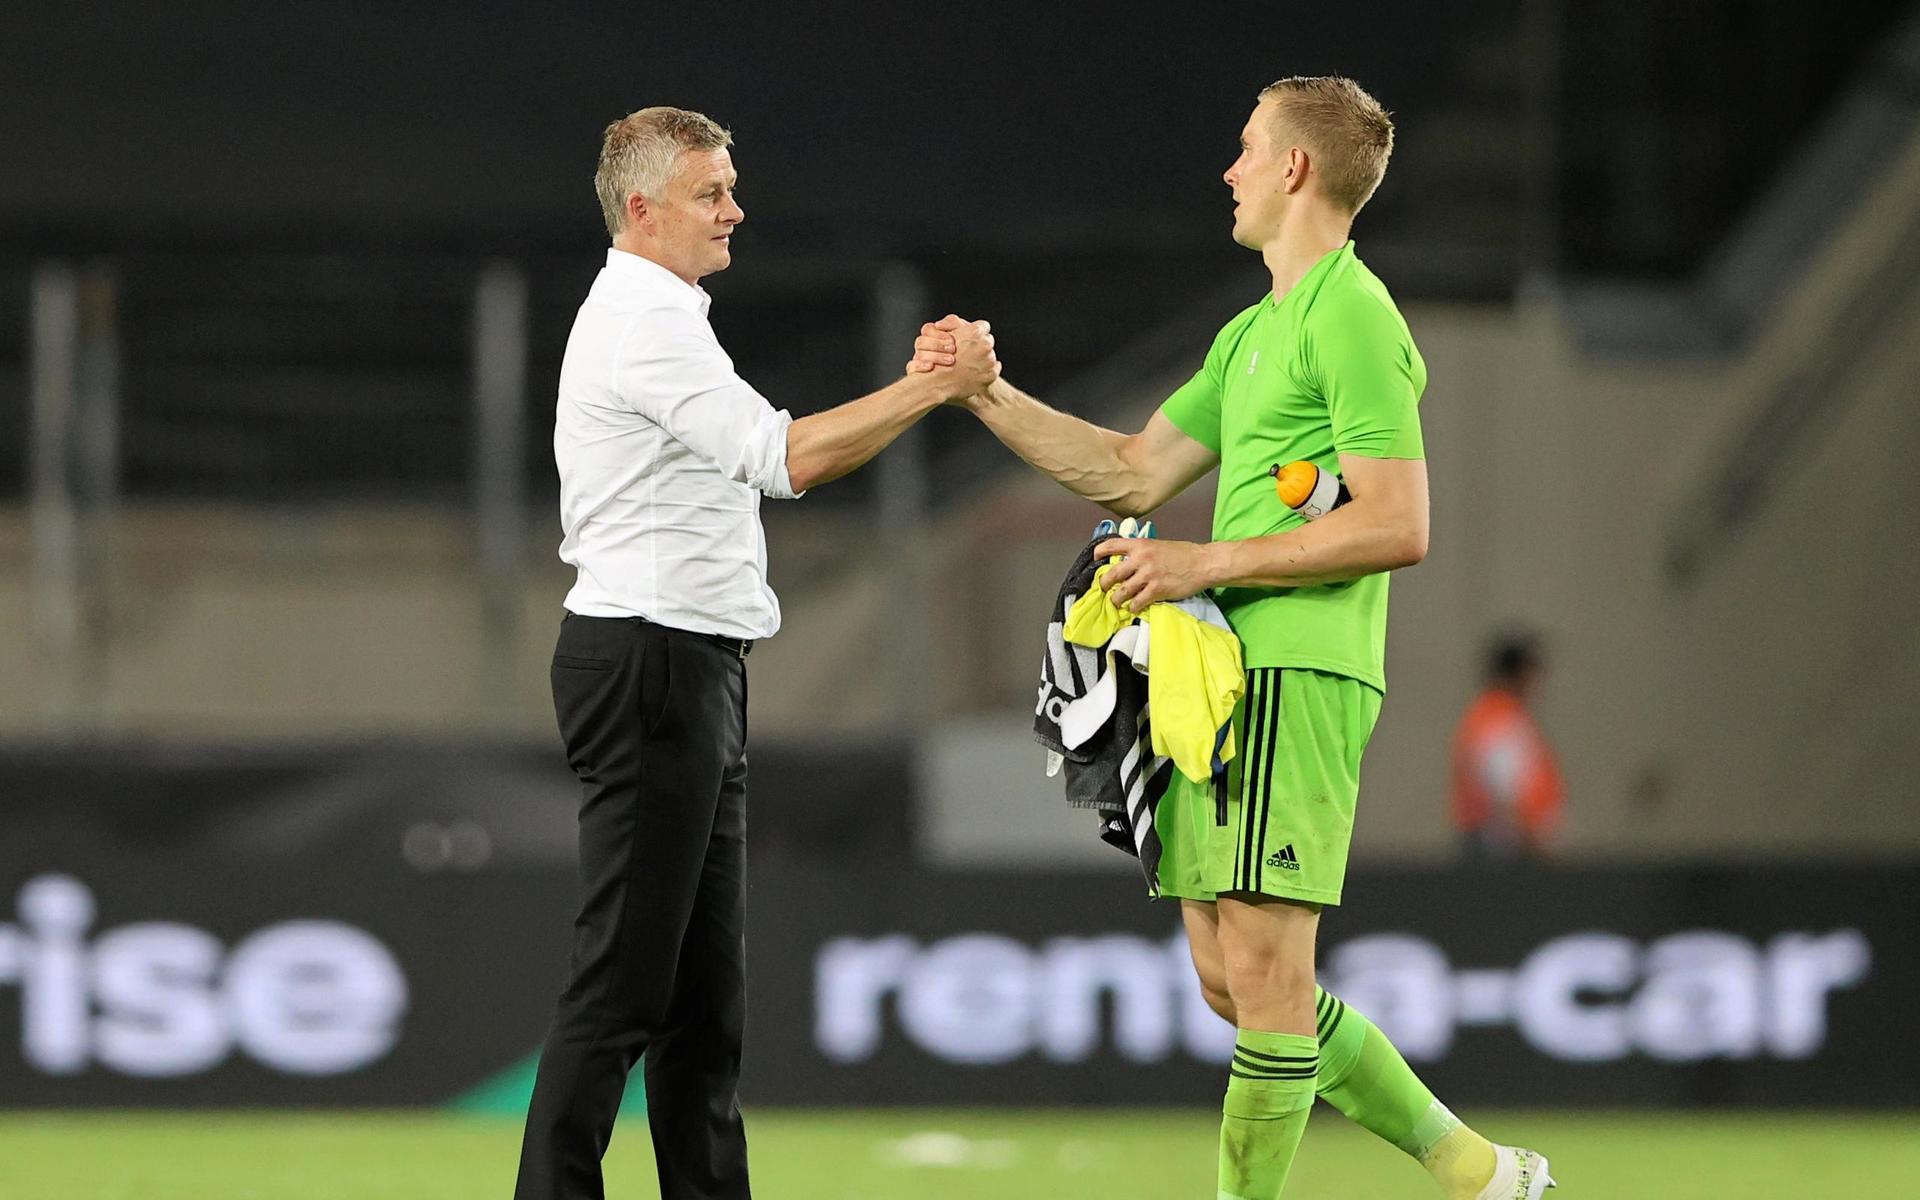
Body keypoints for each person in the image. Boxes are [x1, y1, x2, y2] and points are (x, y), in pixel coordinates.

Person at [912, 78, 1551, 1199]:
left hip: (1296, 667)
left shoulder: (1356, 316)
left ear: (1297, 168)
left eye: (1247, 147)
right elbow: (1129, 469)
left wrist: (1201, 562)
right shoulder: (1257, 332)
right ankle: (1477, 1172)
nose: (1230, 169)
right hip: (1225, 678)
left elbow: (1401, 525)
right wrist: (985, 393)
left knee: (1263, 981)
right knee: (1234, 984)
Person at [514, 107, 996, 1200]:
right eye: (710, 192)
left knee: (701, 1008)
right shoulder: (647, 321)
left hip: (688, 664)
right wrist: (933, 388)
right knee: (624, 991)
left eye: (731, 187)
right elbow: (783, 458)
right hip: (653, 663)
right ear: (641, 209)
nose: (735, 210)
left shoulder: (664, 311)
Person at [1451, 634, 1563, 859]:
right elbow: (1503, 789)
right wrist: (1536, 842)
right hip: (1503, 850)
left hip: (1503, 845)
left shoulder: (1498, 716)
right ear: (1519, 674)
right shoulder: (1498, 718)